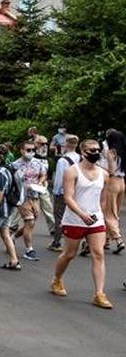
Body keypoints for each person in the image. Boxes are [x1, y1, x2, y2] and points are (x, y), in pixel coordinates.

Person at [51, 139, 112, 308]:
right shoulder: (72, 171)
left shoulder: (104, 175)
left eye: (98, 150)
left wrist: (105, 221)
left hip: (95, 220)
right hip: (75, 219)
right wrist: (82, 214)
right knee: (69, 254)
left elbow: (103, 200)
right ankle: (57, 280)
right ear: (83, 152)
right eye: (92, 150)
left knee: (98, 254)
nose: (96, 153)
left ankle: (99, 293)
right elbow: (68, 197)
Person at [10, 140, 50, 262]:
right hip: (23, 197)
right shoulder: (15, 165)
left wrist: (40, 182)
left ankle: (12, 237)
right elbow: (11, 182)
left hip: (35, 195)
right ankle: (29, 249)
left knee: (31, 224)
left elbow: (44, 174)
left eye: (33, 150)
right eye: (28, 150)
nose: (31, 152)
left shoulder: (38, 162)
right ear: (21, 150)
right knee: (30, 221)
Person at [50, 135, 80, 252]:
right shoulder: (81, 158)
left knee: (59, 217)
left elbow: (59, 179)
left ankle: (56, 242)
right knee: (75, 216)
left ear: (66, 145)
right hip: (77, 191)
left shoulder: (63, 160)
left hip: (63, 192)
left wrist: (56, 192)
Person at [102, 129, 125, 254]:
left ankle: (118, 239)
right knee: (116, 211)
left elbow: (111, 170)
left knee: (109, 212)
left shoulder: (111, 152)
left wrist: (99, 167)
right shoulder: (123, 152)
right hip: (122, 182)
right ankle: (106, 240)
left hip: (112, 182)